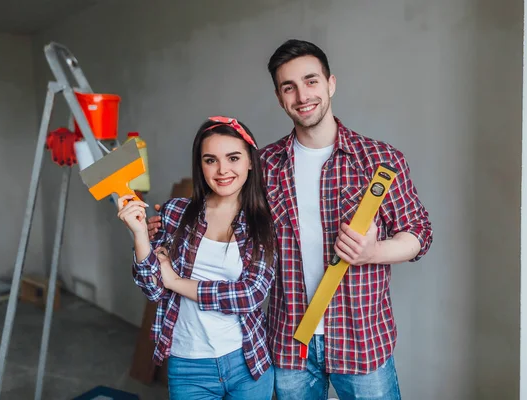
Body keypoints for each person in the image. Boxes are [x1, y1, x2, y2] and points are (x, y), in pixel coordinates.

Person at [148, 40, 433, 400]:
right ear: (280, 97)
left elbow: (419, 233)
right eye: (289, 87)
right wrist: (168, 226)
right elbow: (217, 208)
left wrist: (372, 252)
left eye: (311, 81)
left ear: (330, 83)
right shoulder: (263, 167)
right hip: (289, 340)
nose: (302, 95)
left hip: (362, 338)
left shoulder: (379, 159)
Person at [118, 116, 277, 400]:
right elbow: (153, 289)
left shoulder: (262, 221)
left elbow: (249, 295)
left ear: (250, 162)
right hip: (188, 364)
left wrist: (176, 281)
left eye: (233, 158)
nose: (222, 170)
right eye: (210, 160)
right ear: (200, 165)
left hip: (248, 361)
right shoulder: (176, 213)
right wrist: (140, 234)